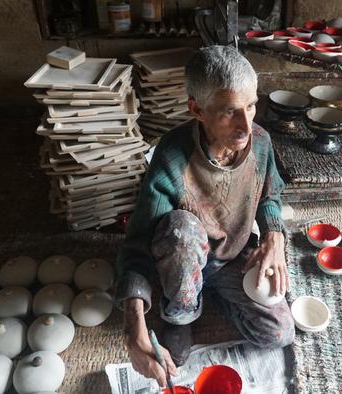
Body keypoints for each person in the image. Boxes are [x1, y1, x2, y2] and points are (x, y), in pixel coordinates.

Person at [115, 45, 295, 387]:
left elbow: (270, 195)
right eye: (230, 112)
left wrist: (274, 236)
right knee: (182, 228)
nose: (246, 124)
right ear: (197, 109)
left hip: (233, 258)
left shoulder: (260, 143)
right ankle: (182, 315)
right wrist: (132, 325)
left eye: (252, 105)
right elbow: (137, 243)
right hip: (183, 257)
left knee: (279, 333)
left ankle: (210, 294)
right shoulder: (171, 156)